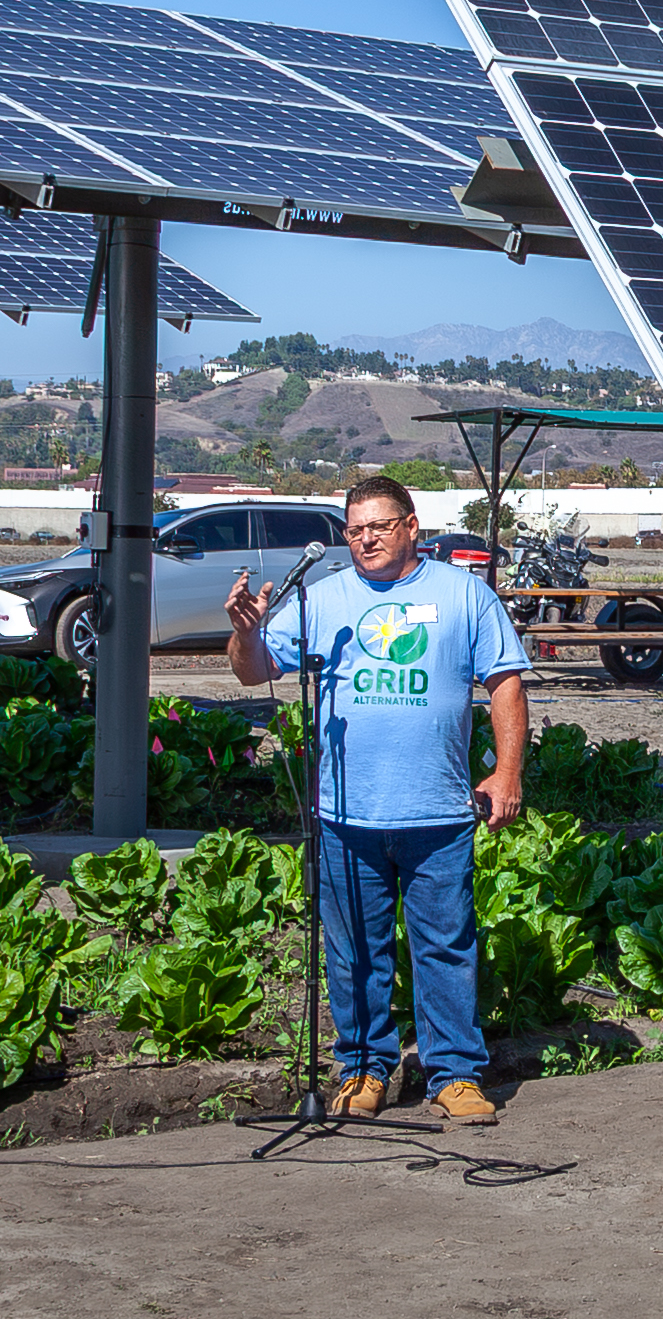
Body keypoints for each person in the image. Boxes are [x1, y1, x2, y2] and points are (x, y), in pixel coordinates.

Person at [230, 472, 528, 1124]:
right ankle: (364, 1068)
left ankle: (453, 1074)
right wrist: (246, 631)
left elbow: (506, 685)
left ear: (411, 526)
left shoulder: (464, 595)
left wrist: (507, 774)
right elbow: (256, 668)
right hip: (344, 814)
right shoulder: (322, 598)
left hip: (439, 812)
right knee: (353, 950)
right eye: (355, 528)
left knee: (447, 946)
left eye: (380, 525)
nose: (366, 537)